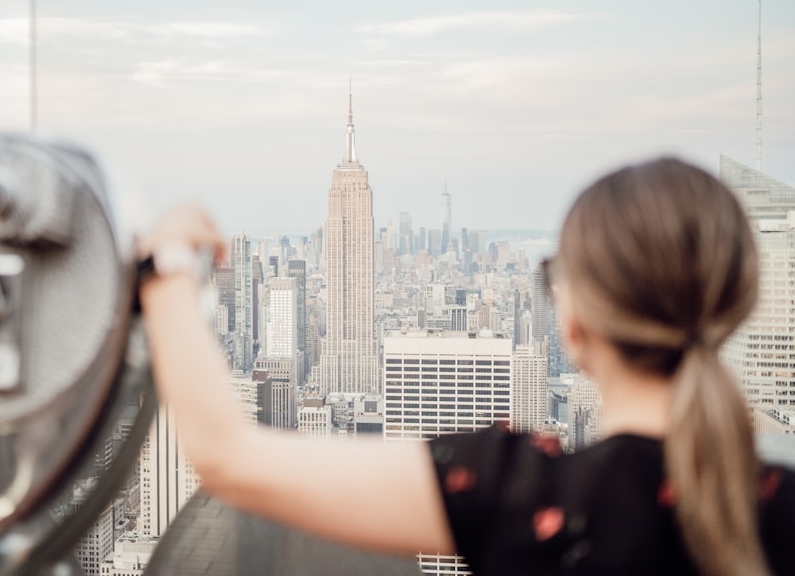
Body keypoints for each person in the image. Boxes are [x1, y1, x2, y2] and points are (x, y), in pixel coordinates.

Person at [137, 157, 794, 575]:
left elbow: (226, 456)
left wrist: (166, 260)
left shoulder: (524, 493)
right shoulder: (782, 503)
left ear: (575, 321)